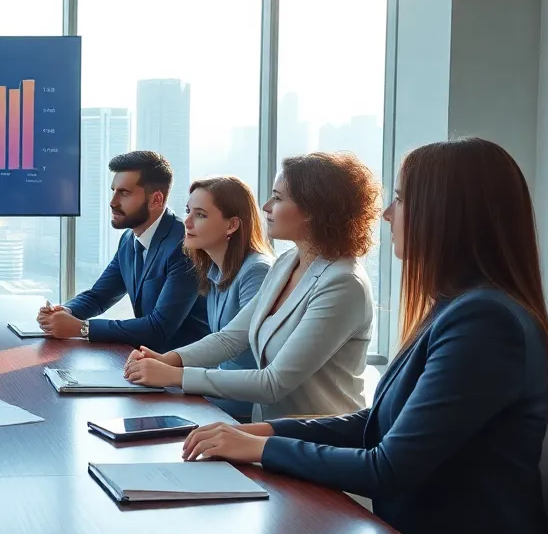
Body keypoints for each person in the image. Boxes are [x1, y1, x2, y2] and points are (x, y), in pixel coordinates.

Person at [179, 138, 548, 534]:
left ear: (447, 213)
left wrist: (259, 449)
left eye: (401, 198)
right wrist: (266, 432)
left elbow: (388, 467)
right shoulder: (459, 307)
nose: (386, 213)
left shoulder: (486, 323)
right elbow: (376, 422)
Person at [124, 152, 377, 420]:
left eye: (278, 198)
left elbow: (273, 383)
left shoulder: (343, 284)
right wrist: (168, 359)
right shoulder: (287, 262)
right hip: (266, 435)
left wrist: (177, 376)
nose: (266, 206)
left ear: (313, 210)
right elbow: (230, 338)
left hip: (316, 443)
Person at [39, 151, 208, 349]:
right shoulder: (129, 240)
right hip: (146, 361)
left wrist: (83, 328)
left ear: (156, 200)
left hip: (182, 370)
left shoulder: (185, 246)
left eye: (124, 193)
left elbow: (159, 328)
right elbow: (99, 296)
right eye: (113, 191)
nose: (113, 202)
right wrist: (65, 311)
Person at [179, 176, 274, 420]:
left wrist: (169, 368)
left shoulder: (257, 270)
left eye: (200, 215)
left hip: (245, 405)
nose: (187, 222)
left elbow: (238, 346)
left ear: (232, 225)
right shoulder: (214, 271)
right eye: (188, 211)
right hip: (221, 397)